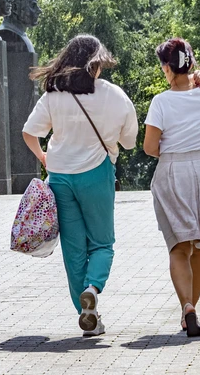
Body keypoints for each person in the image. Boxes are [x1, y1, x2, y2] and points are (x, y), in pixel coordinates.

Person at [22, 34, 138, 337]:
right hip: (97, 173)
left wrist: (43, 156)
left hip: (60, 176)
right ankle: (93, 288)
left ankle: (87, 313)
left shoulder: (54, 94)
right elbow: (129, 141)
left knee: (73, 250)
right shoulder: (115, 95)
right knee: (102, 243)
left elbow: (29, 132)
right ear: (96, 62)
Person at [143, 38, 200, 337]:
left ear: (166, 68)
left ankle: (187, 305)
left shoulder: (161, 102)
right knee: (198, 247)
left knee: (179, 247)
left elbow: (151, 147)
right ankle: (190, 311)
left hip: (174, 171)